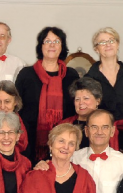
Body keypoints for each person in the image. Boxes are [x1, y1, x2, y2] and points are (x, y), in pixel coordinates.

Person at [15, 27, 80, 162]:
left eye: (56, 41)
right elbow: (15, 108)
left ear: (62, 46)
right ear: (41, 46)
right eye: (47, 41)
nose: (52, 45)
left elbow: (77, 107)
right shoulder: (26, 74)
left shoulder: (71, 75)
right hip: (30, 142)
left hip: (64, 144)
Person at [84, 27, 123, 153]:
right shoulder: (89, 78)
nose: (107, 44)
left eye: (111, 40)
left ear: (117, 44)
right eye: (102, 42)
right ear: (96, 48)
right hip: (98, 137)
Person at [58, 77, 118, 150]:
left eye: (86, 98)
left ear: (98, 101)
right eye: (77, 99)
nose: (81, 103)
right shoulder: (64, 124)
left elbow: (113, 152)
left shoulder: (107, 123)